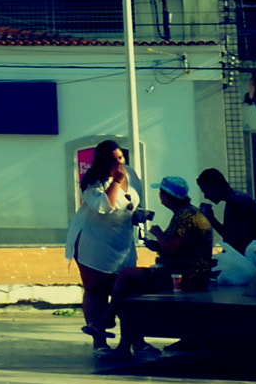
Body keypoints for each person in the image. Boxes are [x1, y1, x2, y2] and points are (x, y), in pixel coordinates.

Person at [115, 176, 216, 362]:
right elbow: (178, 246)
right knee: (132, 291)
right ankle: (131, 342)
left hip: (185, 275)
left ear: (166, 197)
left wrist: (159, 235)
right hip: (191, 273)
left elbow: (172, 248)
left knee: (125, 274)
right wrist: (156, 245)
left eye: (161, 193)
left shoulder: (184, 216)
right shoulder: (188, 213)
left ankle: (109, 317)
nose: (160, 197)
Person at [65, 137, 144, 353]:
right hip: (94, 242)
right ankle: (99, 342)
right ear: (102, 162)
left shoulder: (131, 173)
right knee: (97, 290)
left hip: (121, 241)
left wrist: (136, 215)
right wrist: (116, 182)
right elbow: (105, 206)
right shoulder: (93, 182)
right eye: (114, 160)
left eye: (121, 157)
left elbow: (132, 201)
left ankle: (137, 341)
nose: (119, 164)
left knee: (129, 290)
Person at [197, 167, 256, 255]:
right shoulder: (233, 200)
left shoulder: (239, 202)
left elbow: (235, 242)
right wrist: (211, 218)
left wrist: (211, 219)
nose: (206, 196)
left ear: (215, 186)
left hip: (249, 260)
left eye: (206, 191)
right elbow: (230, 236)